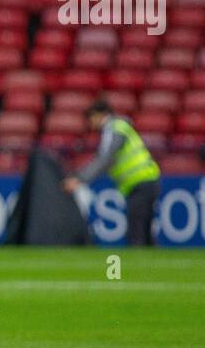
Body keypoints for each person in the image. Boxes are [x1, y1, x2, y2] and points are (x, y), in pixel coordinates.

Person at [62, 99, 162, 246]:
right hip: (146, 180)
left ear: (98, 115)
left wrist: (80, 179)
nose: (90, 123)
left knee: (137, 233)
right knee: (144, 233)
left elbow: (105, 158)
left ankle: (140, 267)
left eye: (90, 118)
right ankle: (154, 266)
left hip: (140, 182)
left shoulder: (114, 128)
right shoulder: (119, 127)